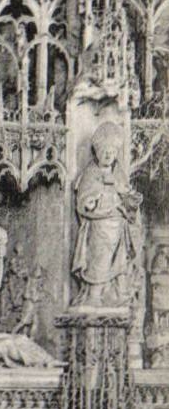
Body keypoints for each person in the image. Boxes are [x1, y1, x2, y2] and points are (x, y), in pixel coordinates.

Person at [71, 120, 141, 306]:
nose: (109, 155)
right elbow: (83, 201)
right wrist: (92, 200)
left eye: (113, 152)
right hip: (99, 226)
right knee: (98, 261)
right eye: (105, 151)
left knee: (119, 264)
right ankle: (94, 296)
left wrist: (129, 201)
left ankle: (113, 297)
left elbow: (126, 195)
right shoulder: (90, 173)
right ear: (97, 152)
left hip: (118, 227)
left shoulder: (119, 173)